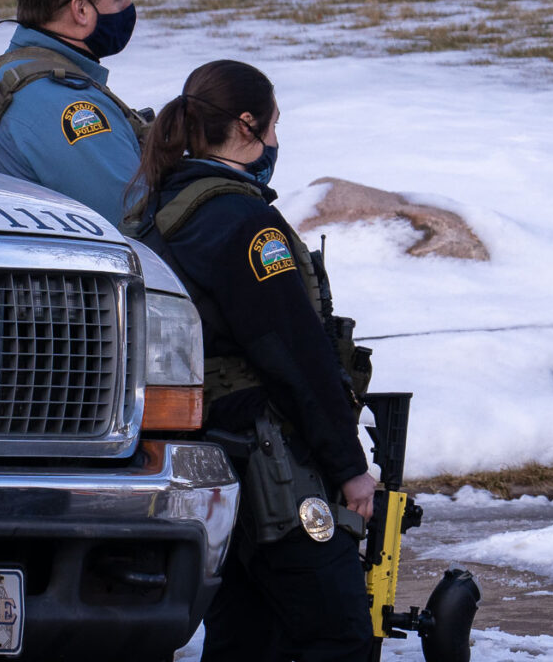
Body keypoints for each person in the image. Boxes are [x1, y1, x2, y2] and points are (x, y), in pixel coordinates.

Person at [129, 60, 377, 661]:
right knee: (339, 633)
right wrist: (349, 466)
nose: (274, 142)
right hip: (270, 464)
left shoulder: (161, 214)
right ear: (247, 124)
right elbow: (294, 352)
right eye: (272, 126)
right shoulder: (245, 224)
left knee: (245, 638)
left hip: (199, 467)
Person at [0, 0, 145, 224]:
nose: (129, 6)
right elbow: (136, 223)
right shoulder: (66, 108)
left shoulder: (11, 76)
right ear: (81, 10)